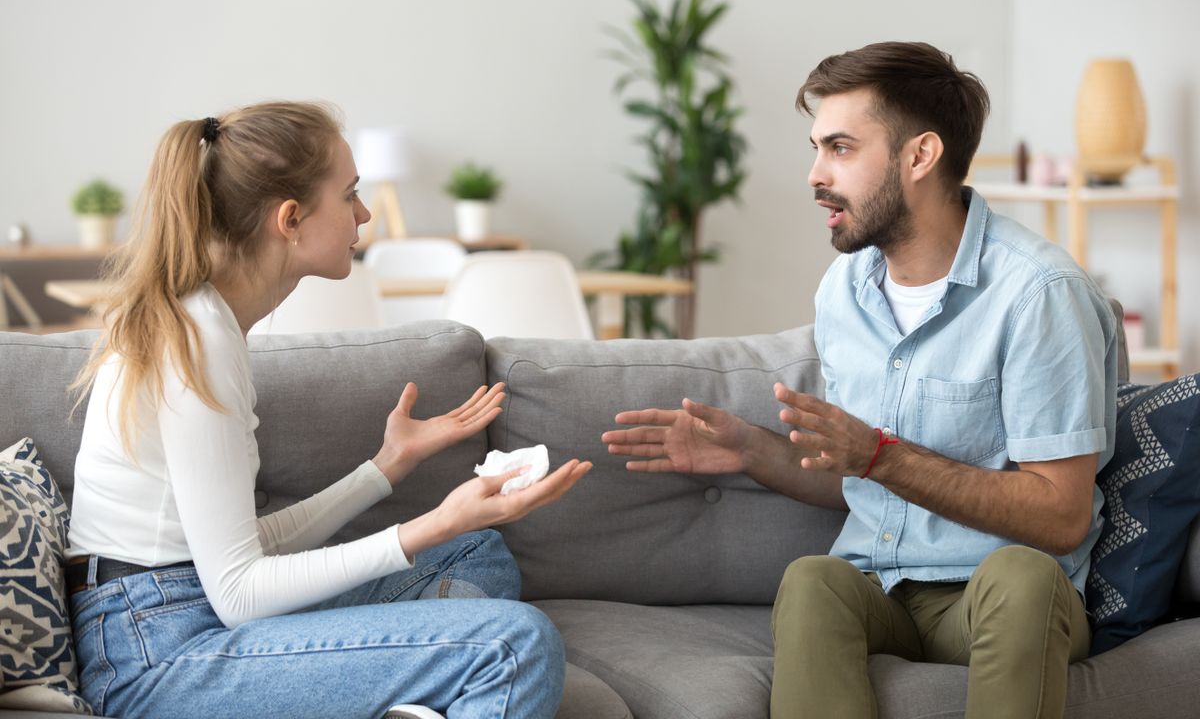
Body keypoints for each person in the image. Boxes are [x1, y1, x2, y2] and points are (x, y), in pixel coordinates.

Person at [603, 42, 1118, 719]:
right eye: (817, 148)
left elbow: (1060, 513)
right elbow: (860, 474)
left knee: (1022, 576)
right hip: (881, 589)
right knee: (816, 579)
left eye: (840, 148)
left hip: (998, 600)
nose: (816, 173)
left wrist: (880, 455)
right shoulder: (845, 289)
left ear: (919, 157)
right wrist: (753, 452)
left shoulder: (1038, 294)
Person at [67, 101, 591, 719]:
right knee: (514, 645)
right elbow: (239, 593)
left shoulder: (208, 322)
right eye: (350, 196)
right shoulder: (196, 342)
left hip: (180, 604)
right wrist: (435, 521)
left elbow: (242, 547)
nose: (364, 215)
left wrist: (386, 468)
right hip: (155, 651)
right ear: (290, 219)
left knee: (477, 553)